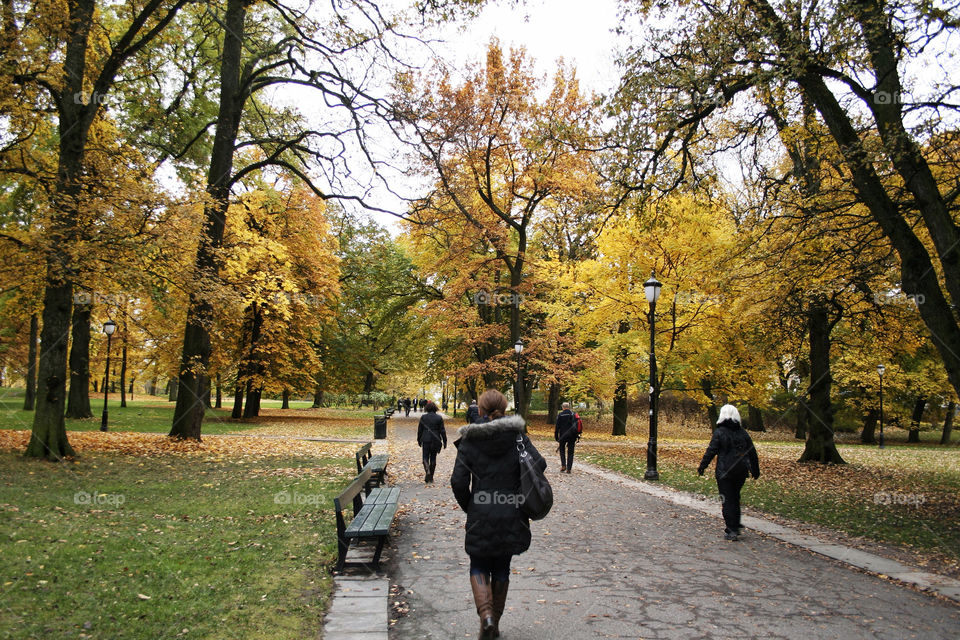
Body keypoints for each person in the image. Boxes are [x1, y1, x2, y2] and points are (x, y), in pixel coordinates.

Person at [451, 389, 546, 639]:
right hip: (512, 511)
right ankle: (494, 625)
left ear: (480, 410)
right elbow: (539, 464)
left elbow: (458, 482)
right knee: (502, 566)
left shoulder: (470, 440)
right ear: (504, 409)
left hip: (480, 511)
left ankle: (487, 617)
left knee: (479, 564)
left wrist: (470, 506)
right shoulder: (517, 437)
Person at [697, 404, 761, 541]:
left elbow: (711, 450)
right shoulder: (742, 432)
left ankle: (731, 529)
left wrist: (702, 466)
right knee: (735, 497)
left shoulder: (720, 432)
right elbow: (752, 452)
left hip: (724, 471)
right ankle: (735, 524)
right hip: (741, 470)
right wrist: (755, 470)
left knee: (727, 499)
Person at [417, 401, 447, 483]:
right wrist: (445, 441)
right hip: (436, 439)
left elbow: (420, 430)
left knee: (425, 458)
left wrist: (419, 439)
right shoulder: (439, 418)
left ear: (427, 408)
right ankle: (431, 477)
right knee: (433, 458)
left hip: (426, 439)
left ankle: (428, 471)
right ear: (435, 408)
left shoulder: (423, 417)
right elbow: (442, 431)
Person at [554, 402, 578, 473]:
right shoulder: (573, 414)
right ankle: (569, 468)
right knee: (571, 452)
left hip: (562, 435)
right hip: (572, 435)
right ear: (569, 407)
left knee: (562, 450)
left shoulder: (560, 415)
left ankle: (563, 465)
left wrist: (556, 436)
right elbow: (576, 425)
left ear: (563, 407)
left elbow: (557, 427)